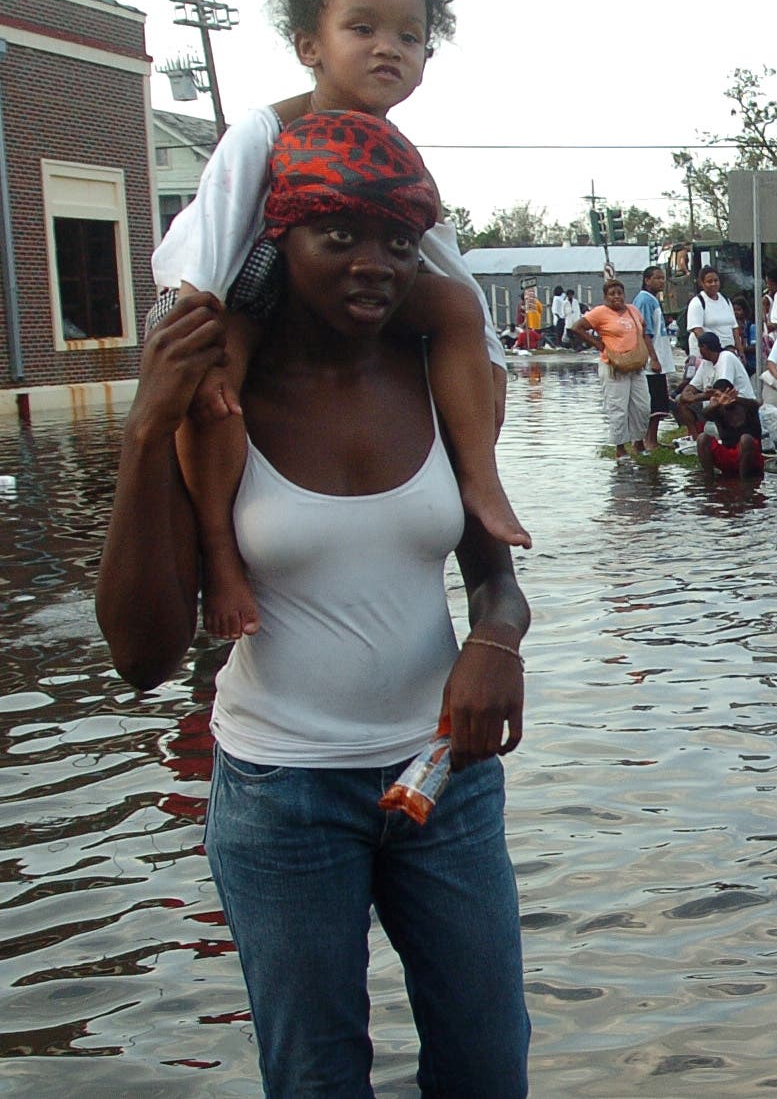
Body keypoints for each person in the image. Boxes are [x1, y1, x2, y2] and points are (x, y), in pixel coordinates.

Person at [98, 111, 530, 1096]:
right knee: (317, 1079)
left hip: (444, 781)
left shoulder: (429, 372)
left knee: (487, 1067)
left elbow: (494, 576)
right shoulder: (216, 402)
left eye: (396, 241)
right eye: (339, 236)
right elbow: (140, 657)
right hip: (282, 799)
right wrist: (143, 432)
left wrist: (498, 638)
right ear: (277, 239)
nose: (373, 264)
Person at [146, 0, 526, 642]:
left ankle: (479, 479)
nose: (388, 48)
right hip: (249, 285)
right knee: (216, 388)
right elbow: (208, 263)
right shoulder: (263, 132)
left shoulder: (397, 155)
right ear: (307, 45)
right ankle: (222, 554)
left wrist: (489, 363)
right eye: (363, 29)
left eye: (409, 37)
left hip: (338, 296)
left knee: (450, 309)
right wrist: (203, 360)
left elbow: (448, 273)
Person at [572, 278, 660, 459]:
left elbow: (644, 333)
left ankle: (638, 442)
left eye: (619, 293)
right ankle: (620, 448)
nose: (616, 297)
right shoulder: (599, 313)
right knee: (618, 407)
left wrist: (654, 358)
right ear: (605, 297)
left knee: (642, 406)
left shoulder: (633, 310)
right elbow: (577, 327)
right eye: (612, 294)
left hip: (636, 366)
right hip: (614, 367)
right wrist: (598, 344)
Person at [672, 332, 755, 442]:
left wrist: (697, 397)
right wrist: (690, 395)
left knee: (720, 402)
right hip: (714, 403)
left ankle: (725, 438)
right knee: (680, 401)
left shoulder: (726, 357)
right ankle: (696, 439)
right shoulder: (706, 363)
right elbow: (691, 387)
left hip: (738, 403)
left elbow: (723, 390)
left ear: (704, 347)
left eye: (699, 347)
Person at [692, 379, 764, 479]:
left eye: (727, 394)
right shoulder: (717, 410)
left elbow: (756, 404)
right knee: (702, 438)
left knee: (745, 438)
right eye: (719, 396)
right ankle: (709, 479)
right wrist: (716, 403)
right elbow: (705, 414)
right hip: (728, 455)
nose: (724, 398)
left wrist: (734, 399)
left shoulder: (747, 405)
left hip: (751, 458)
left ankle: (744, 481)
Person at [634, 264, 672, 450]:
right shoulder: (644, 300)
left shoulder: (653, 300)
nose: (661, 281)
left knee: (659, 401)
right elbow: (644, 331)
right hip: (652, 360)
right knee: (654, 402)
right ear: (646, 280)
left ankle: (651, 438)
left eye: (663, 278)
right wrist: (654, 358)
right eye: (657, 278)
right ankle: (648, 440)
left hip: (659, 356)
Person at [684, 266, 736, 354]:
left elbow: (734, 328)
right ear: (702, 283)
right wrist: (714, 351)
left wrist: (739, 350)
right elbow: (697, 331)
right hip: (710, 355)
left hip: (729, 351)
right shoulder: (697, 302)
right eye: (709, 281)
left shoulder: (726, 300)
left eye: (716, 280)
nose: (713, 284)